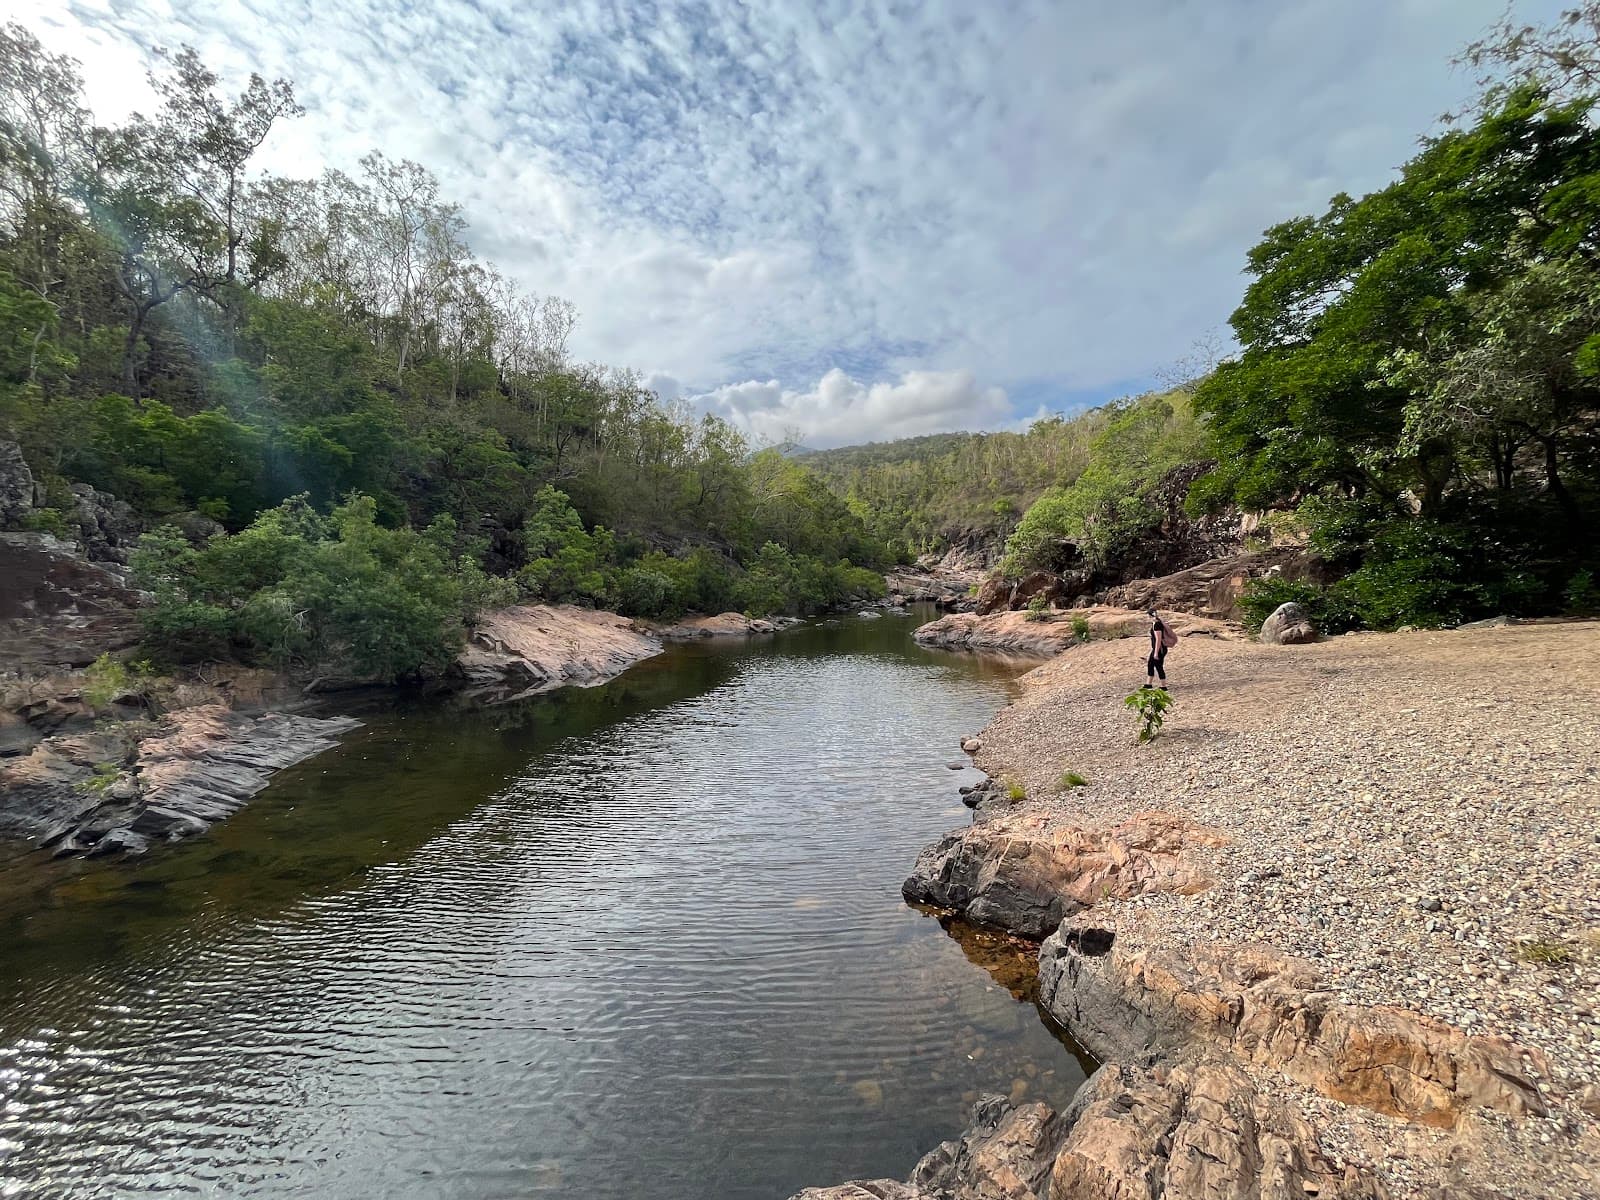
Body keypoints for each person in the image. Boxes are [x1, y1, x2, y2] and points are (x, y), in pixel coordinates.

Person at [1145, 609, 1176, 688]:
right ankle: (1149, 684)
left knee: (1158, 666)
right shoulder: (1157, 622)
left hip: (1159, 649)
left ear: (1150, 615)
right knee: (1151, 664)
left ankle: (1163, 686)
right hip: (1159, 648)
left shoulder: (1157, 624)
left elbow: (1158, 639)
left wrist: (1156, 652)